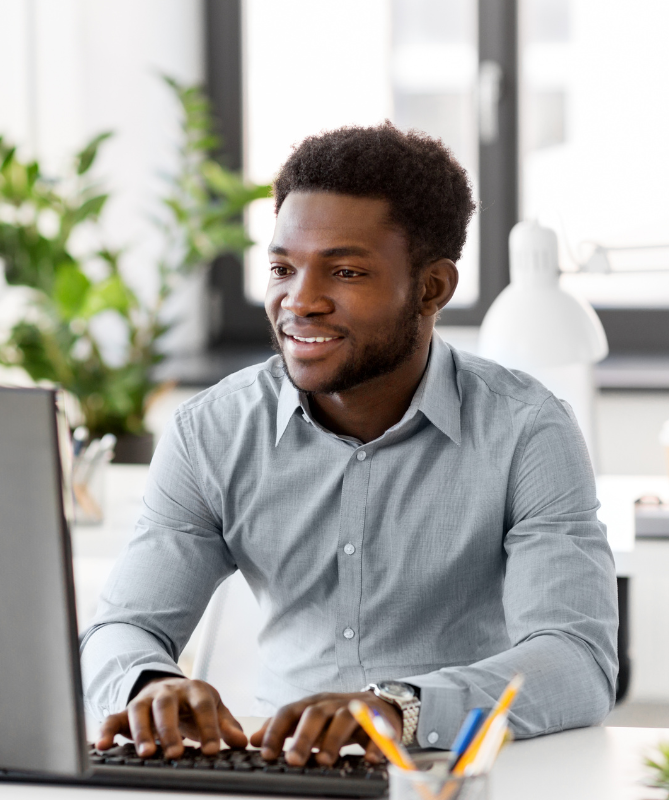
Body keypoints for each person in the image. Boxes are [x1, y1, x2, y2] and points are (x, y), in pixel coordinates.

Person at [80, 122, 618, 768]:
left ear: (432, 288)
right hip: (277, 773)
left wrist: (398, 708)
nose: (298, 302)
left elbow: (575, 660)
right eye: (282, 268)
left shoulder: (526, 430)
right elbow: (122, 627)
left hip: (457, 772)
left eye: (344, 271)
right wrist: (148, 684)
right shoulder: (212, 431)